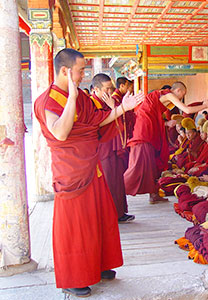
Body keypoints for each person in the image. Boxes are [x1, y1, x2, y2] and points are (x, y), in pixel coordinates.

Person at [34, 48, 144, 297]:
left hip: (91, 166)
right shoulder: (48, 101)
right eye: (81, 70)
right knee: (77, 226)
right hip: (71, 172)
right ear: (65, 70)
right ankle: (74, 276)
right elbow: (60, 133)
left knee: (101, 218)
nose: (84, 75)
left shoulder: (83, 99)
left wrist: (121, 109)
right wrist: (72, 97)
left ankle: (100, 265)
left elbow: (96, 121)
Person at [123, 81, 208, 204]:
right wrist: (205, 105)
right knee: (138, 165)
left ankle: (154, 194)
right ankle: (119, 189)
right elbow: (186, 109)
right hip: (143, 131)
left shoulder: (162, 97)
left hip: (149, 129)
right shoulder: (169, 95)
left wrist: (165, 124)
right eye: (183, 94)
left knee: (154, 162)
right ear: (178, 91)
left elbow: (154, 114)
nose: (181, 98)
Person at [91, 73, 135, 224]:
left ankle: (119, 212)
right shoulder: (92, 104)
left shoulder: (108, 102)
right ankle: (109, 216)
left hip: (114, 148)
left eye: (111, 88)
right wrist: (113, 109)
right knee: (109, 182)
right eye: (107, 89)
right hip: (103, 150)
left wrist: (113, 108)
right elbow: (100, 123)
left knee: (117, 181)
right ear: (96, 89)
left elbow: (121, 122)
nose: (110, 92)